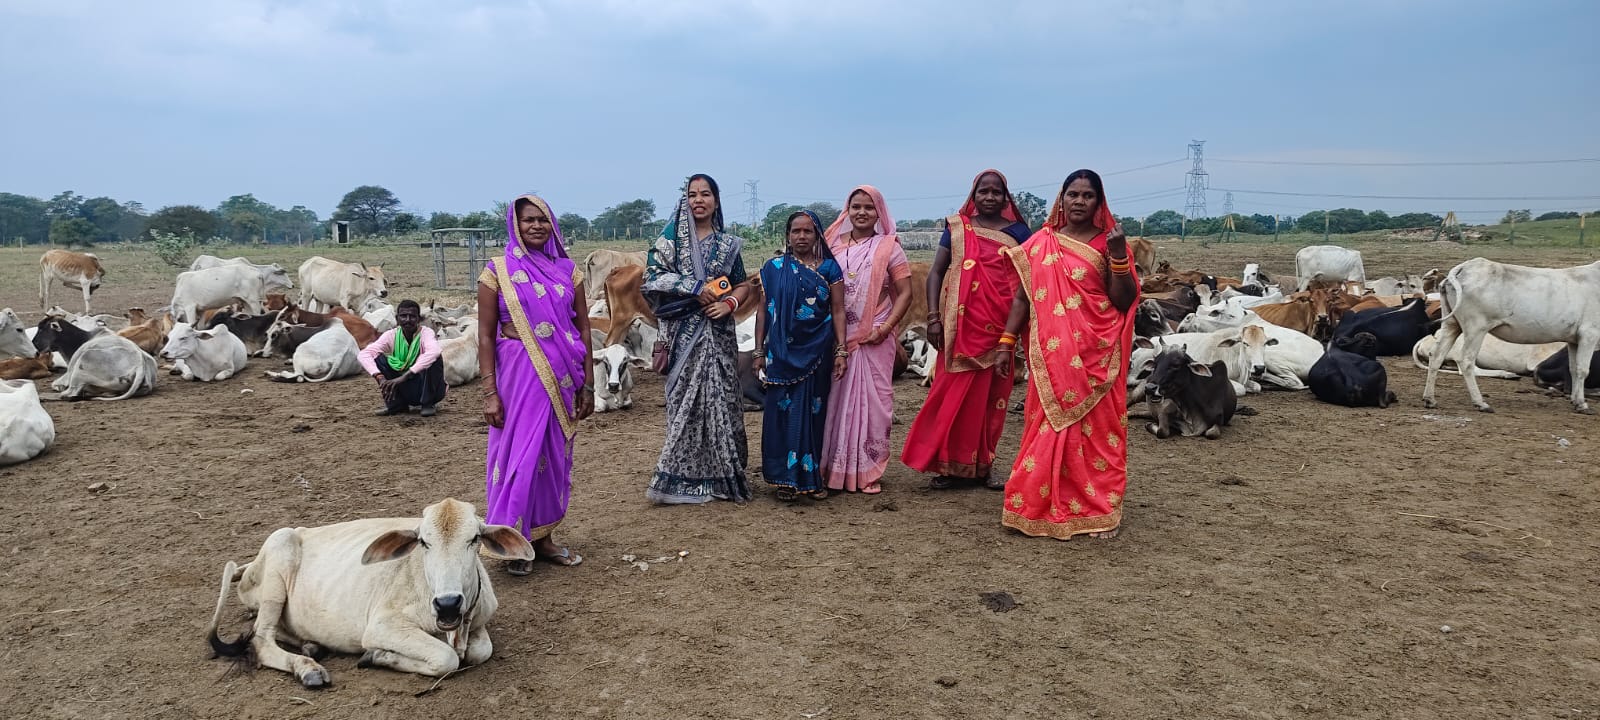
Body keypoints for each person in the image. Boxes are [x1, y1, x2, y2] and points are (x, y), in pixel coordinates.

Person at [993, 169, 1139, 540]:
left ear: (1098, 202)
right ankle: (1035, 506)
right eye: (1072, 194)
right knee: (1045, 428)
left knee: (1097, 435)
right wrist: (1007, 343)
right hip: (1053, 358)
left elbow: (1122, 300)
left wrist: (1119, 257)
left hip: (1097, 353)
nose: (1078, 202)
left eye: (1087, 196)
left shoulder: (1110, 243)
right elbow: (1023, 297)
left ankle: (1098, 509)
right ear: (1061, 198)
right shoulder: (1042, 243)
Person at [478, 194, 594, 573]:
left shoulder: (568, 271)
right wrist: (490, 393)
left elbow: (582, 328)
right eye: (529, 220)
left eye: (543, 219)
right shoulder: (497, 270)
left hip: (561, 378)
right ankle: (512, 541)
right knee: (518, 456)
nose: (536, 226)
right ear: (515, 224)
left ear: (553, 225)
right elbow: (484, 336)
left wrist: (588, 384)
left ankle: (542, 540)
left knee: (553, 458)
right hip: (516, 380)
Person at [901, 170, 1030, 490]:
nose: (989, 197)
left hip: (1001, 330)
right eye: (982, 191)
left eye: (996, 192)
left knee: (992, 400)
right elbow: (936, 273)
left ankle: (983, 465)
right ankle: (950, 467)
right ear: (973, 196)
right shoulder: (957, 228)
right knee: (951, 398)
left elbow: (1030, 280)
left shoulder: (1020, 233)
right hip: (958, 329)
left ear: (1005, 197)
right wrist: (933, 318)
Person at [642, 174, 756, 505]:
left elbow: (743, 283)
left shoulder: (727, 244)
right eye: (692, 195)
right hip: (682, 334)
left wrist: (729, 303)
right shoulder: (669, 243)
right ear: (685, 200)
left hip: (719, 335)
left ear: (716, 201)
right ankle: (679, 480)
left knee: (722, 399)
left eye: (705, 194)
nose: (698, 200)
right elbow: (651, 279)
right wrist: (694, 287)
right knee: (684, 403)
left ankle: (722, 478)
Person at [820, 185, 913, 495]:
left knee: (875, 404)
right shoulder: (831, 245)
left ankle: (866, 471)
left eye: (868, 207)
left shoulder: (889, 247)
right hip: (838, 338)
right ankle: (833, 470)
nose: (861, 212)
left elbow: (905, 294)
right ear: (847, 210)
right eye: (855, 206)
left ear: (879, 213)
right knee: (835, 401)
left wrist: (885, 329)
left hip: (875, 335)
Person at [752, 210, 848, 502]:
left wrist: (841, 349)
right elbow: (762, 310)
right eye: (796, 231)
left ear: (818, 235)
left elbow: (838, 310)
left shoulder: (830, 269)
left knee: (812, 415)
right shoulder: (773, 268)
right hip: (780, 355)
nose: (801, 236)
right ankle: (784, 480)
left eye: (808, 231)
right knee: (779, 416)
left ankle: (810, 478)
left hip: (816, 352)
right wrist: (758, 351)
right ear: (788, 235)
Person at [358, 299, 446, 417]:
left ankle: (428, 403)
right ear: (397, 318)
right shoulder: (391, 335)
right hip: (403, 387)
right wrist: (379, 377)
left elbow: (434, 351)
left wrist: (405, 376)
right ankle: (396, 405)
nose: (408, 320)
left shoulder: (426, 333)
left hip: (426, 387)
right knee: (378, 357)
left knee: (434, 358)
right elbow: (364, 354)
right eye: (403, 316)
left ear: (419, 319)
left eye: (412, 316)